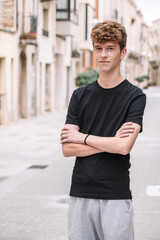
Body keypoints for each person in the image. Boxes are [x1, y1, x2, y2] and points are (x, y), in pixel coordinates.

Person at [60, 20, 146, 240]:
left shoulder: (135, 96)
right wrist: (110, 143)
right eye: (98, 48)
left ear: (123, 52)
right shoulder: (79, 95)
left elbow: (124, 146)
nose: (103, 55)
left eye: (110, 48)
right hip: (80, 194)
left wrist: (83, 138)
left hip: (115, 195)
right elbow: (68, 148)